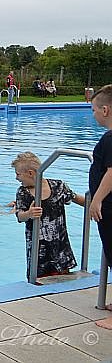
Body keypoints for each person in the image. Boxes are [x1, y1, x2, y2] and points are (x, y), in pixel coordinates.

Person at [12, 151, 85, 278]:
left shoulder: (58, 186)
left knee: (63, 280)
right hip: (38, 250)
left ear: (30, 173)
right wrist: (29, 213)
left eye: (18, 174)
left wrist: (96, 205)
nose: (16, 178)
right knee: (38, 280)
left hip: (60, 248)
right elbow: (19, 216)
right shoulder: (23, 192)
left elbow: (76, 198)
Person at [88, 85, 112, 328]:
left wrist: (97, 200)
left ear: (105, 110)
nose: (93, 114)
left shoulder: (110, 138)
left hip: (110, 207)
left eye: (94, 110)